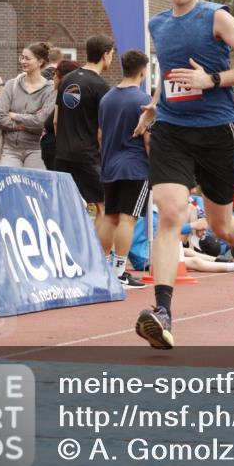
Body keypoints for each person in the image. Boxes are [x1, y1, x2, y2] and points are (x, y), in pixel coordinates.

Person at [132, 0, 234, 350]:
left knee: (221, 223)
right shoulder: (157, 24)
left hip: (216, 132)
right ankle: (162, 311)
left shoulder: (216, 17)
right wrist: (157, 104)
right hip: (172, 130)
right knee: (171, 212)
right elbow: (170, 74)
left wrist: (212, 79)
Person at [97, 49, 152, 289]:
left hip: (110, 163)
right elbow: (149, 138)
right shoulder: (143, 101)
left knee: (110, 216)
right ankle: (119, 271)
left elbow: (100, 135)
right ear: (143, 71)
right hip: (135, 165)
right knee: (128, 219)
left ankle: (101, 268)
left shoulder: (107, 98)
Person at [54, 34, 114, 227]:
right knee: (105, 206)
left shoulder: (66, 79)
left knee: (66, 207)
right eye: (112, 54)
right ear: (105, 55)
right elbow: (101, 131)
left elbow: (56, 121)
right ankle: (100, 255)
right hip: (87, 156)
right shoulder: (100, 86)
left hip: (62, 154)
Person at [0, 41, 56, 170]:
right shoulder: (11, 85)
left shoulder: (50, 90)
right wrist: (26, 124)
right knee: (9, 187)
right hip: (10, 150)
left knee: (34, 188)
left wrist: (14, 115)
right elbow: (0, 118)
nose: (23, 61)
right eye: (22, 57)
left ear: (40, 62)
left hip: (36, 150)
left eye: (27, 58)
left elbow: (41, 122)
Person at [40, 59, 79, 171]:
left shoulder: (66, 97)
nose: (53, 77)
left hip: (58, 155)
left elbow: (56, 122)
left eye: (54, 73)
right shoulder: (71, 97)